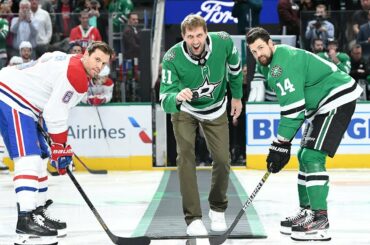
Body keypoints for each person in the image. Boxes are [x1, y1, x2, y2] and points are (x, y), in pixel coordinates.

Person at [246, 27, 362, 242]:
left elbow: (293, 109)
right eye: (254, 51)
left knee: (312, 156)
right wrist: (281, 144)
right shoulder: (270, 65)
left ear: (271, 43)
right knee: (303, 157)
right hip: (319, 106)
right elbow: (293, 109)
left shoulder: (281, 63)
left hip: (337, 98)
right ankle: (308, 212)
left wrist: (280, 144)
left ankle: (321, 220)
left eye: (261, 47)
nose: (258, 54)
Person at [0, 41, 113, 245]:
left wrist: (59, 147)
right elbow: (55, 113)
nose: (99, 66)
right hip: (12, 95)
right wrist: (60, 147)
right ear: (86, 53)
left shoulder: (74, 60)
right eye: (97, 59)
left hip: (26, 102)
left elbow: (46, 58)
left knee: (41, 158)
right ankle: (25, 220)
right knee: (29, 158)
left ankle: (37, 212)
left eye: (103, 63)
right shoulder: (76, 75)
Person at [159, 14, 243, 236]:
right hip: (185, 110)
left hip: (216, 108)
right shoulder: (171, 57)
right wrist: (177, 96)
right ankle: (193, 218)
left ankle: (217, 209)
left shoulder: (224, 41)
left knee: (223, 159)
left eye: (198, 35)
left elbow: (235, 69)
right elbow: (164, 99)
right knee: (185, 157)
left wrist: (237, 96)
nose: (195, 41)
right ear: (183, 37)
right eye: (190, 36)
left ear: (206, 33)